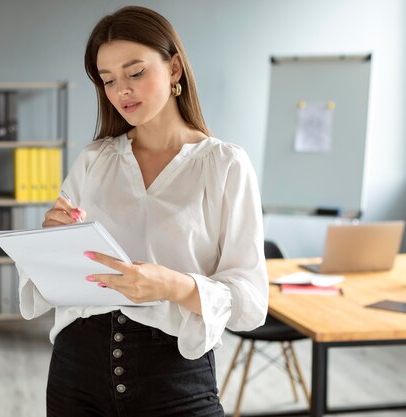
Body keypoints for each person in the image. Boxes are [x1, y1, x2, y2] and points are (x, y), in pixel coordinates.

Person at [18, 5, 268, 417]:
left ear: (174, 69)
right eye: (108, 80)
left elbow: (251, 301)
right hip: (76, 369)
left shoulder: (224, 164)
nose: (122, 91)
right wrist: (52, 241)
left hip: (174, 373)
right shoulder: (94, 160)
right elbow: (50, 285)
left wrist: (175, 286)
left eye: (135, 73)